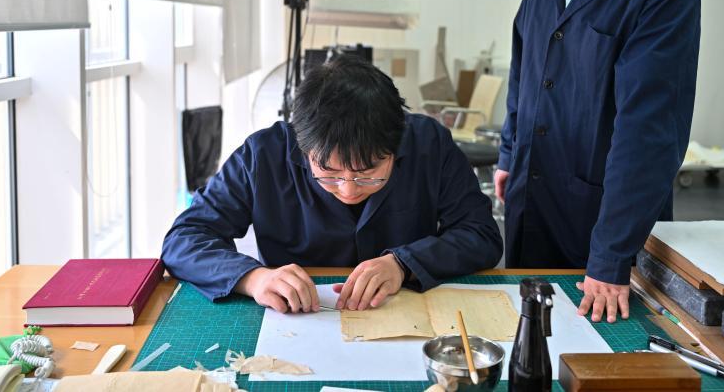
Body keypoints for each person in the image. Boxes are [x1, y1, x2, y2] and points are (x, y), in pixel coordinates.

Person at [494, 0, 700, 323]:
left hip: (604, 221)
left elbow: (649, 132)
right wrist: (509, 152)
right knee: (527, 339)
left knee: (598, 351)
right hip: (531, 195)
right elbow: (525, 61)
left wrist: (611, 256)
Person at [163, 53, 502, 314]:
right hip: (298, 322)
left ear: (397, 145)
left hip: (404, 314)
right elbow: (185, 239)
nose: (348, 189)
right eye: (328, 172)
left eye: (368, 172)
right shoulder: (262, 155)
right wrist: (254, 278)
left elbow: (481, 234)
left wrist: (404, 264)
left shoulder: (430, 144)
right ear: (303, 146)